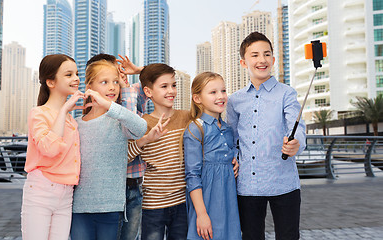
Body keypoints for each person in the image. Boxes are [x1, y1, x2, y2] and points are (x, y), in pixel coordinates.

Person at [226, 31, 306, 240]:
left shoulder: (287, 93)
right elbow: (232, 137)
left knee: (288, 236)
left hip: (283, 181)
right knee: (251, 236)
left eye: (266, 54)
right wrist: (233, 156)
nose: (261, 60)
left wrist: (296, 143)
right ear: (243, 62)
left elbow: (298, 127)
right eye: (255, 55)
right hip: (248, 184)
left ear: (273, 58)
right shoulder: (234, 100)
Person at [70, 60, 147, 240]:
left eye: (115, 82)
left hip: (111, 208)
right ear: (89, 86)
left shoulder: (119, 121)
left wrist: (109, 106)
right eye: (104, 82)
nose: (112, 87)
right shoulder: (76, 124)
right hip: (79, 208)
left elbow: (141, 128)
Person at [21, 54, 86, 239]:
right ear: (51, 82)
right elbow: (49, 149)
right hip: (41, 191)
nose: (76, 79)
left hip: (66, 194)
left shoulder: (70, 119)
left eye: (76, 73)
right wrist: (64, 109)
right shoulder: (38, 113)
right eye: (68, 74)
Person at [127, 63, 190, 240]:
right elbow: (125, 156)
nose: (171, 91)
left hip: (182, 203)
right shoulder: (142, 123)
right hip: (153, 205)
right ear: (148, 92)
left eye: (173, 85)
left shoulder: (187, 117)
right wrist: (146, 139)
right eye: (164, 86)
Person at [184, 72, 242, 240]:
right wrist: (201, 214)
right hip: (207, 201)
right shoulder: (195, 129)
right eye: (213, 92)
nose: (221, 96)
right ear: (197, 98)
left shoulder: (227, 129)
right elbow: (192, 176)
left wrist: (234, 159)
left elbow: (230, 153)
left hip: (229, 199)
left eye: (223, 91)